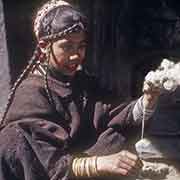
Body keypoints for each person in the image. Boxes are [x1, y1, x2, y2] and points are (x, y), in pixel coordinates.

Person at [0, 1, 158, 180]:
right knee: (12, 138)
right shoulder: (30, 95)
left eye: (81, 46)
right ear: (44, 46)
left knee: (117, 132)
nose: (76, 55)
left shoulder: (83, 83)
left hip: (80, 166)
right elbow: (44, 162)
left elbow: (115, 114)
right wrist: (99, 164)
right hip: (53, 173)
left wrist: (148, 100)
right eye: (67, 46)